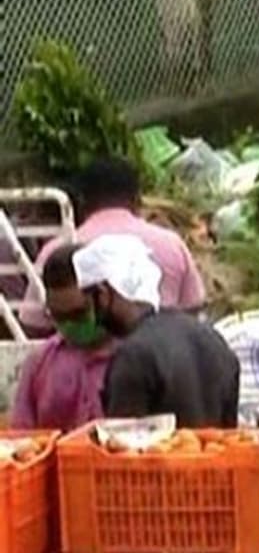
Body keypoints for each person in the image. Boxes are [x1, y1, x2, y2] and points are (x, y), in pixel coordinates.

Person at [44, 235, 240, 426]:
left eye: (87, 301)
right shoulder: (212, 339)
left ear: (103, 294)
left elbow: (122, 446)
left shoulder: (134, 355)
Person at [22, 157, 206, 335]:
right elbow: (193, 308)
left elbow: (32, 323)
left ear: (82, 201)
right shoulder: (171, 244)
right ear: (137, 199)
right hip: (162, 357)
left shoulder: (57, 251)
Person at [10, 245, 116, 431]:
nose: (69, 324)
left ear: (103, 297)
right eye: (59, 316)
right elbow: (23, 437)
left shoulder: (136, 358)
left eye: (78, 314)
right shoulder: (40, 363)